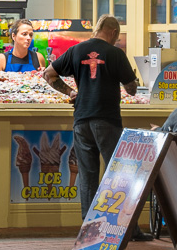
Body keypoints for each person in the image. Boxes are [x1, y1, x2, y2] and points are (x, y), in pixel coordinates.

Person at [42, 14, 140, 230]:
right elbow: (132, 90)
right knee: (117, 173)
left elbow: (48, 74)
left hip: (81, 120)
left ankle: (89, 225)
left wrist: (71, 92)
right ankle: (125, 228)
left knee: (87, 175)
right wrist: (131, 81)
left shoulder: (76, 50)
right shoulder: (115, 53)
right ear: (114, 32)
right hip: (107, 119)